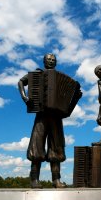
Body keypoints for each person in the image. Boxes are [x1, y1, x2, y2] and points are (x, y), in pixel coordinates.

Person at [18, 53, 67, 188]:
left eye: (53, 60)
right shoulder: (37, 75)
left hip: (56, 117)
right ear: (44, 61)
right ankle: (34, 180)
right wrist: (25, 97)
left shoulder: (60, 77)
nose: (51, 61)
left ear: (55, 62)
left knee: (57, 147)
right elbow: (21, 82)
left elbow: (67, 96)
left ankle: (56, 180)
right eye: (48, 59)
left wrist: (74, 97)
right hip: (41, 115)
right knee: (36, 145)